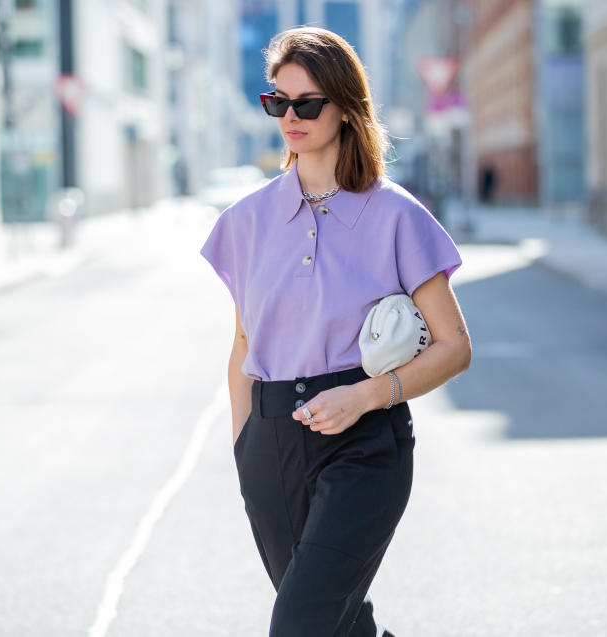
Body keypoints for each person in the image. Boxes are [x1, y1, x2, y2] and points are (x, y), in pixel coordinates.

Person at [200, 27, 471, 637]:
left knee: (299, 625)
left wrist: (367, 396)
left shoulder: (397, 214)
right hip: (269, 447)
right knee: (340, 626)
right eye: (278, 102)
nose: (290, 116)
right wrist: (245, 448)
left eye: (308, 103)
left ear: (346, 108)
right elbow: (243, 348)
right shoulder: (245, 222)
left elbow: (456, 347)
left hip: (364, 444)